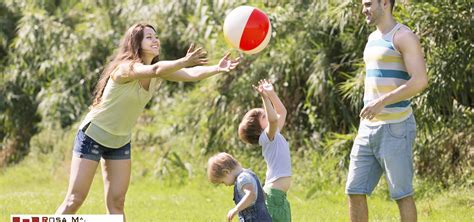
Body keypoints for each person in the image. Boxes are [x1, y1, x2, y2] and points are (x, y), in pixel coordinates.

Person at [55, 23, 241, 221]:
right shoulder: (125, 69)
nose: (155, 40)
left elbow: (190, 75)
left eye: (156, 36)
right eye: (149, 37)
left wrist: (218, 68)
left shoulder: (156, 72)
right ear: (136, 43)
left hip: (120, 141)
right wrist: (184, 60)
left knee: (117, 202)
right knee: (75, 199)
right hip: (93, 135)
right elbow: (156, 68)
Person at [345, 1, 428, 221]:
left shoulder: (403, 36)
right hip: (367, 128)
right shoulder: (372, 38)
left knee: (402, 195)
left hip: (396, 127)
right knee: (354, 189)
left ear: (385, 3)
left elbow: (420, 80)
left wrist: (382, 101)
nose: (364, 9)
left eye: (368, 4)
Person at [238, 79, 291, 222]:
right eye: (263, 116)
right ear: (259, 129)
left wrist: (271, 94)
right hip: (274, 196)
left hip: (277, 196)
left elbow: (282, 112)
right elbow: (273, 119)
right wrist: (264, 98)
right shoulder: (266, 137)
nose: (267, 114)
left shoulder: (274, 134)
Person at [207, 152, 272, 222]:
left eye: (223, 182)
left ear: (226, 172)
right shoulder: (249, 174)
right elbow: (262, 194)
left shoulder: (242, 178)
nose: (225, 185)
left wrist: (236, 209)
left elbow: (251, 195)